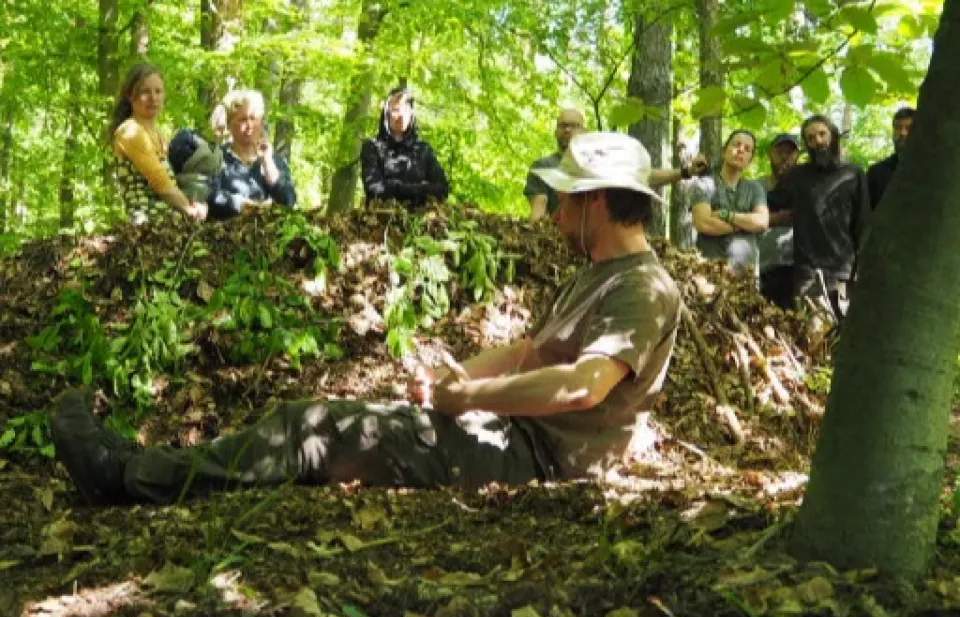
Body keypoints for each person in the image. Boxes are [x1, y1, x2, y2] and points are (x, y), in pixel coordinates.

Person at [50, 132, 681, 505]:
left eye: (568, 197)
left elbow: (583, 386)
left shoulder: (643, 287)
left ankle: (127, 477)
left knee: (312, 425)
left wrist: (468, 398)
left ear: (597, 201)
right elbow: (530, 354)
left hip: (540, 461)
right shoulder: (594, 275)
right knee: (326, 422)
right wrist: (456, 378)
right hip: (516, 437)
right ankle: (142, 463)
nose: (556, 210)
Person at [524, 108, 710, 220]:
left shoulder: (599, 162)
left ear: (585, 131)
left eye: (574, 125)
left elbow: (643, 176)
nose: (567, 130)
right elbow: (538, 211)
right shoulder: (543, 167)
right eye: (563, 125)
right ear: (556, 131)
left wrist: (686, 171)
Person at [783, 114, 870, 319]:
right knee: (811, 338)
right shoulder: (797, 176)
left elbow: (864, 224)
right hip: (807, 275)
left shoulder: (854, 174)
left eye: (822, 134)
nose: (818, 141)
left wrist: (860, 271)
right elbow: (770, 203)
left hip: (843, 273)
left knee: (842, 335)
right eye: (811, 138)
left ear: (833, 136)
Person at [110, 64, 207, 225]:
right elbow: (161, 183)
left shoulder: (159, 134)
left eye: (158, 91)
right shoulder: (130, 131)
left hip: (168, 214)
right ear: (130, 96)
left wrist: (196, 204)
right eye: (145, 92)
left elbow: (173, 181)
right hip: (147, 219)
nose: (153, 98)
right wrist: (190, 209)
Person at [207, 89, 297, 220]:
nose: (249, 125)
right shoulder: (217, 157)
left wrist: (268, 164)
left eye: (253, 118)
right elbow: (211, 197)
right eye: (242, 120)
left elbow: (289, 201)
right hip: (223, 235)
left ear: (260, 122)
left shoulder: (274, 161)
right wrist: (245, 206)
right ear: (230, 124)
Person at [691, 129, 769, 275]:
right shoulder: (704, 184)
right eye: (736, 144)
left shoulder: (754, 188)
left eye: (747, 149)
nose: (741, 150)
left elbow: (762, 222)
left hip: (746, 278)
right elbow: (703, 223)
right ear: (724, 151)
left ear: (750, 160)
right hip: (709, 273)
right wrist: (745, 224)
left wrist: (725, 214)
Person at [360, 88, 449, 209]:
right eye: (396, 110)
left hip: (421, 221)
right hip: (381, 221)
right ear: (386, 115)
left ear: (411, 114)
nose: (401, 115)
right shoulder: (372, 148)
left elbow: (442, 189)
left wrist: (393, 186)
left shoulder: (423, 150)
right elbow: (374, 190)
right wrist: (423, 188)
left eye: (405, 110)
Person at [757, 133, 800, 309]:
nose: (784, 157)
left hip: (797, 267)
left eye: (790, 153)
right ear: (770, 154)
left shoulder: (805, 183)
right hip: (765, 267)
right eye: (780, 151)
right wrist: (776, 218)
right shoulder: (757, 186)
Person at [867, 106, 915, 210]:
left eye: (908, 128)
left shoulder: (931, 171)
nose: (902, 133)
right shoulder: (876, 173)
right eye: (898, 128)